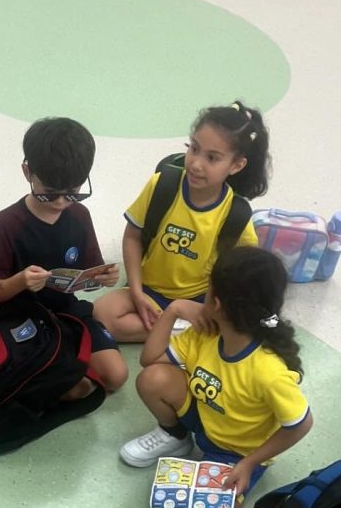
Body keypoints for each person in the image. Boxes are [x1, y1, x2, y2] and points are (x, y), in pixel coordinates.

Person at [120, 246, 312, 508]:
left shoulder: (268, 370)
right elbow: (150, 359)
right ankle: (176, 437)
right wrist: (173, 310)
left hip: (238, 453)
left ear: (217, 303)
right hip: (205, 419)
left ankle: (237, 480)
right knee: (152, 378)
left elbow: (301, 424)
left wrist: (249, 463)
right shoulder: (207, 332)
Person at [94, 101, 268, 342]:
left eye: (212, 158)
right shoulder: (162, 185)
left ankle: (177, 327)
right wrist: (136, 292)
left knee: (238, 322)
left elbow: (244, 272)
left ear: (236, 165)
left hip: (199, 300)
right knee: (102, 313)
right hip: (149, 290)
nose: (196, 164)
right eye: (194, 148)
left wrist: (211, 307)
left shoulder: (235, 214)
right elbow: (132, 237)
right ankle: (184, 332)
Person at [0, 117, 127, 396]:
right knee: (70, 384)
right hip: (19, 315)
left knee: (115, 376)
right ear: (27, 172)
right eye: (49, 193)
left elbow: (90, 273)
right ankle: (53, 378)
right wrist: (20, 281)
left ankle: (57, 375)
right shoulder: (9, 222)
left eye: (73, 193)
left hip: (66, 310)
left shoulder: (80, 215)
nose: (60, 202)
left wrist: (104, 277)